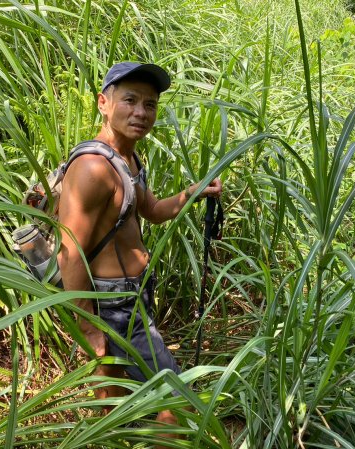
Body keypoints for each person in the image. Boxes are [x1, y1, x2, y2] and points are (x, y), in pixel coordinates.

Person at [57, 62, 222, 439]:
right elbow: (70, 253)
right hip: (111, 307)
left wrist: (195, 191)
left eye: (150, 104)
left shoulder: (127, 159)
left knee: (114, 404)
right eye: (129, 100)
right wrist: (89, 329)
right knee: (174, 401)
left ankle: (112, 439)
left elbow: (153, 210)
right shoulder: (92, 169)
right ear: (103, 103)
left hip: (132, 298)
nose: (141, 112)